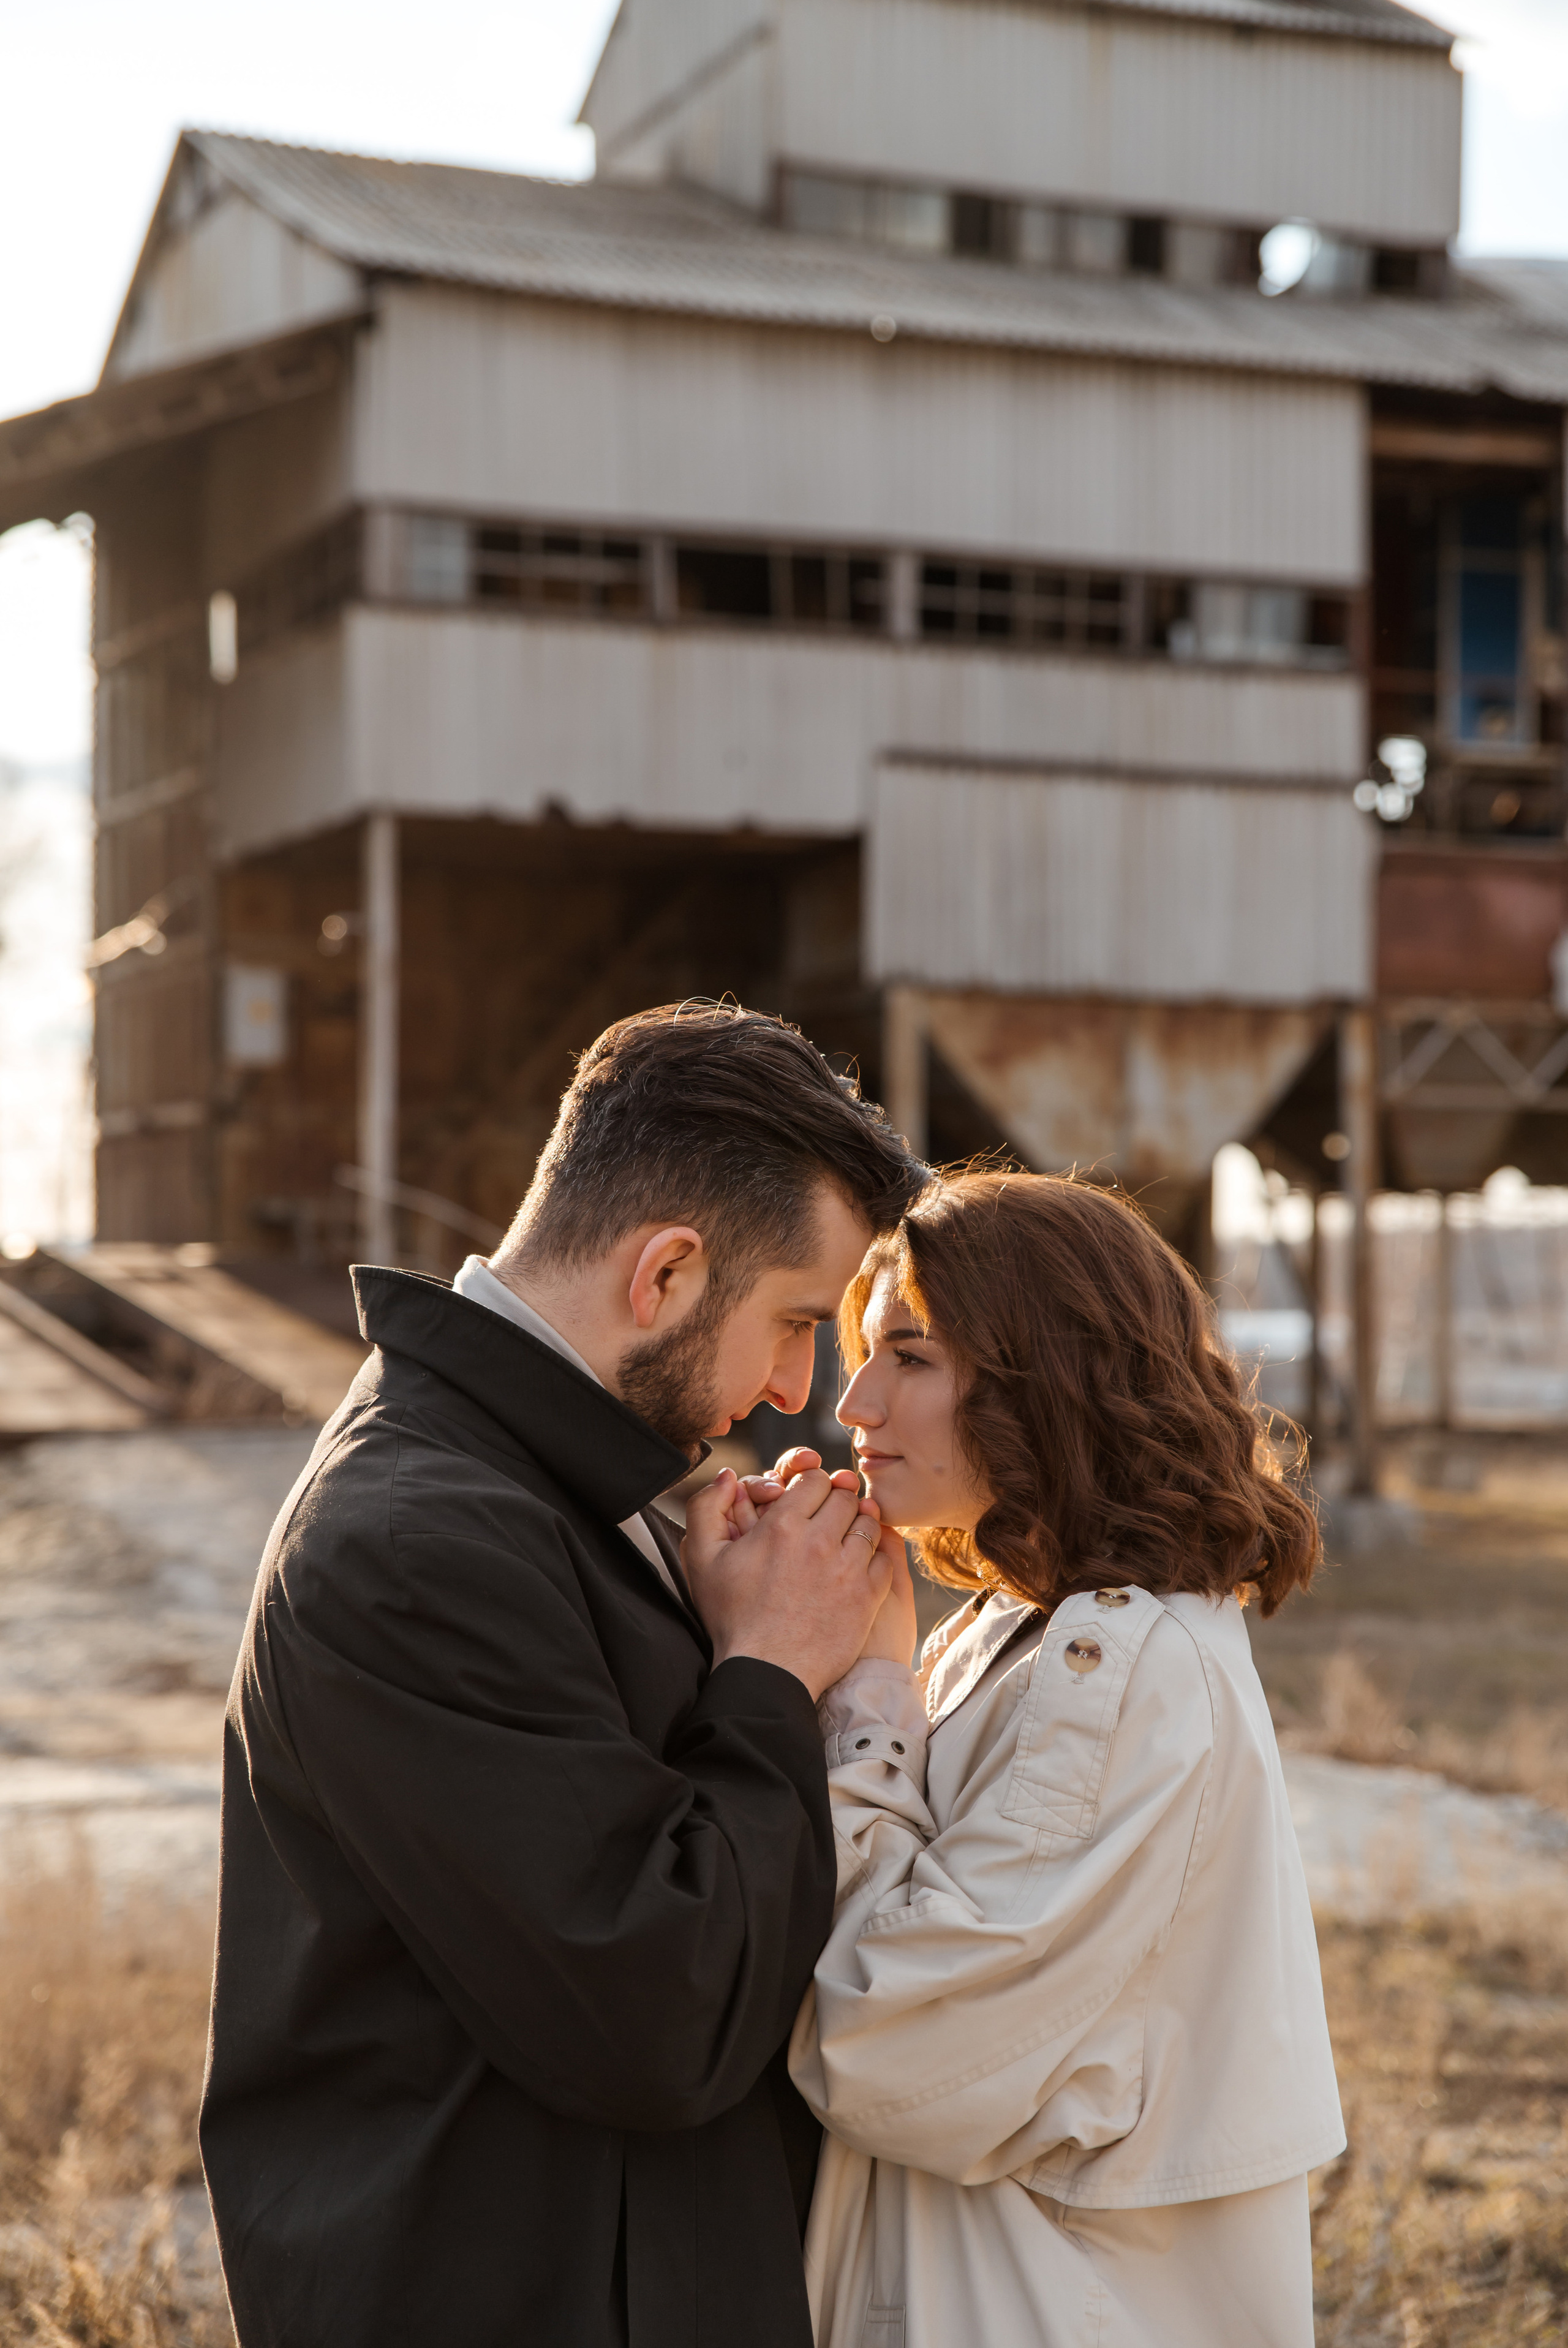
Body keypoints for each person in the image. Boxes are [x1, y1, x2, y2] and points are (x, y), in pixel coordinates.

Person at [199, 1002, 927, 2348]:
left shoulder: (553, 1496)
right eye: (793, 1322)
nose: (793, 1388)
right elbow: (661, 2013)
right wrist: (769, 1668)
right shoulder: (415, 1540)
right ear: (662, 1276)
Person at [778, 1170, 1344, 2348]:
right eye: (865, 1354)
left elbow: (893, 2054)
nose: (857, 1405)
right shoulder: (1027, 1631)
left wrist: (865, 1696)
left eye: (914, 1358)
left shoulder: (1115, 1668)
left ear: (1051, 1375)